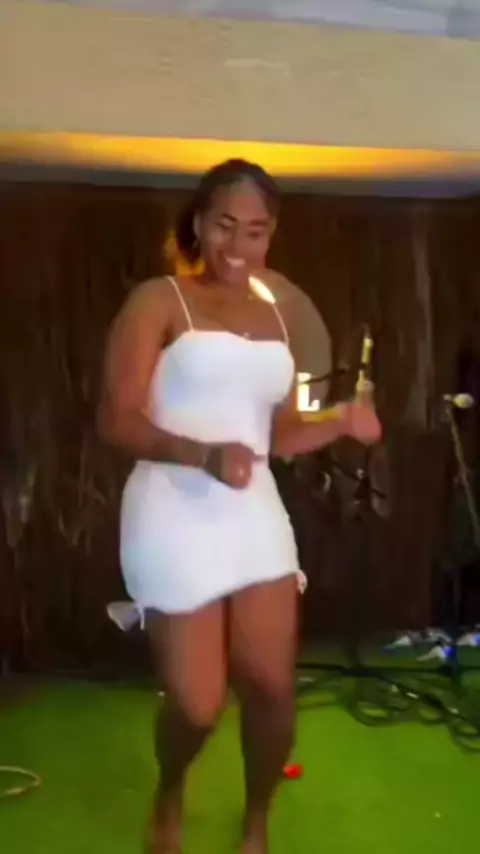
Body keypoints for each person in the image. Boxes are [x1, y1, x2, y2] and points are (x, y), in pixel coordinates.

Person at [97, 159, 382, 854]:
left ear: (270, 235)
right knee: (196, 704)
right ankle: (171, 789)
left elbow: (276, 436)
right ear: (199, 222)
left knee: (272, 688)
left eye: (255, 231)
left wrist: (340, 421)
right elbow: (116, 419)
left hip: (251, 508)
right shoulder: (159, 300)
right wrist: (201, 456)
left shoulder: (276, 313)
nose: (238, 244)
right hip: (171, 507)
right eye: (226, 225)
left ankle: (257, 819)